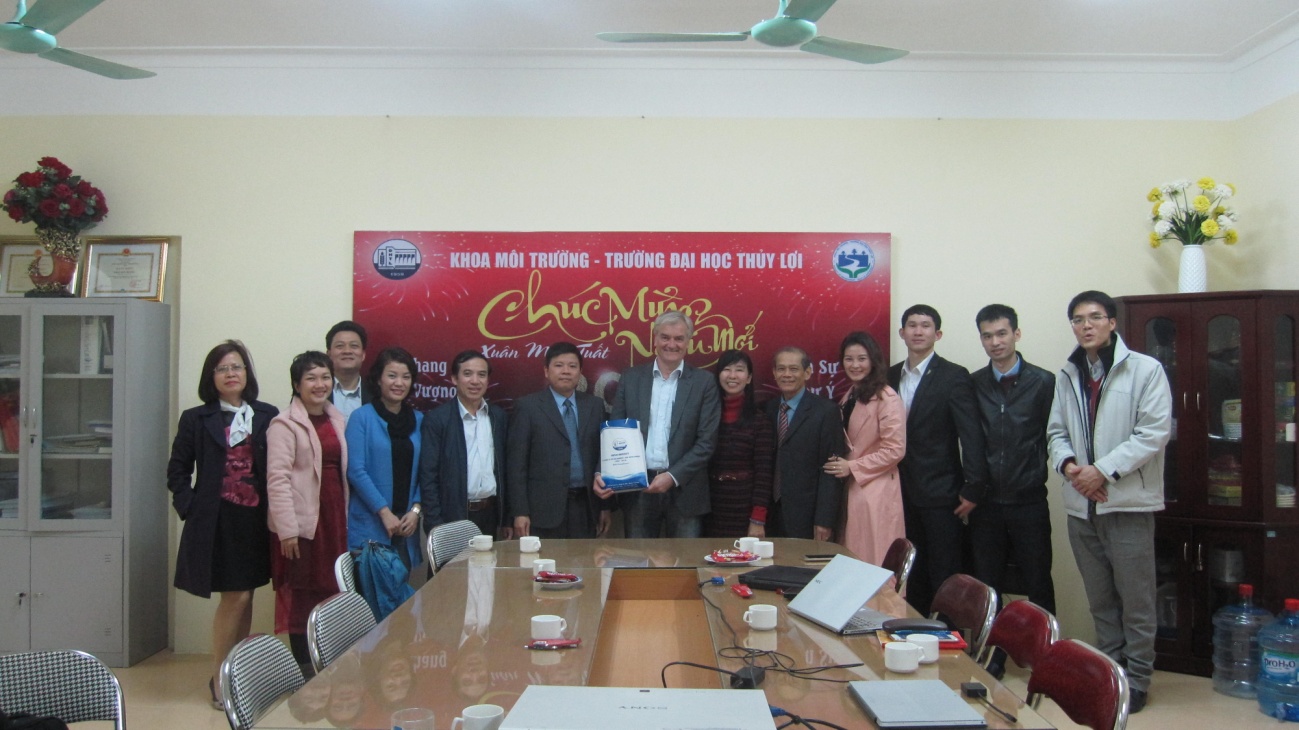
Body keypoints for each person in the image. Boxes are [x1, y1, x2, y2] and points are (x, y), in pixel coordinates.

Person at [1047, 290, 1172, 714]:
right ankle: (1112, 674)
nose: (1086, 326)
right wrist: (1071, 468)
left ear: (1112, 323)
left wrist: (1102, 471)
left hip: (1127, 504)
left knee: (1136, 601)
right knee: (1100, 599)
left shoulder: (1145, 369)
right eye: (1078, 319)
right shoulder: (1068, 374)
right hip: (1081, 506)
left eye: (1095, 317)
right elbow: (1056, 433)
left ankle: (1138, 679)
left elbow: (1153, 433)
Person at [166, 340, 278, 710]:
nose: (231, 374)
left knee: (247, 596)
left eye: (237, 367)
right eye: (223, 368)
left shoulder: (266, 415)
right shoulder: (196, 419)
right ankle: (219, 677)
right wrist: (190, 506)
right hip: (217, 520)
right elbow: (178, 470)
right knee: (236, 596)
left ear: (247, 373)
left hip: (255, 520)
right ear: (211, 377)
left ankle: (236, 671)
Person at [887, 304, 987, 616]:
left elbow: (970, 434)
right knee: (910, 571)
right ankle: (912, 630)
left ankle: (946, 637)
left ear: (937, 334)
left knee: (943, 572)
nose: (918, 331)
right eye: (912, 325)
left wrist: (973, 486)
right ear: (902, 333)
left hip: (942, 493)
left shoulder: (953, 376)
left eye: (925, 325)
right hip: (899, 492)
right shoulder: (890, 375)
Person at [595, 311, 720, 538]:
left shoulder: (704, 382)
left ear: (688, 342)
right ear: (654, 339)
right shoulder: (631, 378)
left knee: (685, 559)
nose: (671, 344)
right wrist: (602, 472)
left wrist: (672, 476)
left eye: (679, 338)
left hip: (686, 489)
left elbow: (706, 442)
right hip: (637, 488)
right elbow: (615, 433)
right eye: (665, 337)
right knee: (639, 558)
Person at [970, 305, 1057, 614]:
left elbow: (1053, 435)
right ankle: (991, 646)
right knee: (987, 585)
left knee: (1038, 581)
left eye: (1002, 333)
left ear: (1016, 334)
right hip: (986, 503)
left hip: (1028, 501)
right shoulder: (974, 383)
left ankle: (1046, 645)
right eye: (987, 336)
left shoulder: (1043, 381)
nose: (995, 342)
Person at [267, 350, 349, 674]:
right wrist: (287, 530)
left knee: (331, 590)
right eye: (311, 378)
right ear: (296, 385)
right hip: (302, 525)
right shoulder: (284, 424)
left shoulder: (335, 418)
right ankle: (305, 669)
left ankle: (328, 664)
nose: (320, 384)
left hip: (334, 518)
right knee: (303, 597)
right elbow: (277, 479)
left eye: (325, 377)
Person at [507, 342, 611, 539]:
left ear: (580, 372)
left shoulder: (594, 406)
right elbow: (516, 465)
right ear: (546, 371)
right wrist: (519, 511)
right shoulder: (528, 407)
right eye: (559, 365)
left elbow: (603, 458)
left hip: (586, 507)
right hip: (542, 510)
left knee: (584, 559)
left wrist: (604, 506)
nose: (566, 371)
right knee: (546, 560)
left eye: (572, 366)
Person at [823, 332, 905, 566]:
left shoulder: (887, 397)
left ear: (873, 360)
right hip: (852, 488)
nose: (855, 365)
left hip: (876, 489)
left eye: (862, 358)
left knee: (875, 557)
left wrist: (852, 466)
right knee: (853, 555)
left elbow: (895, 449)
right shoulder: (851, 394)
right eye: (849, 359)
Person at [345, 347, 424, 570]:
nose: (399, 383)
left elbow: (426, 471)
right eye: (392, 376)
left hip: (406, 523)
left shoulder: (419, 420)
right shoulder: (361, 418)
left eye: (406, 377)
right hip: (372, 521)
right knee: (373, 588)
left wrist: (416, 510)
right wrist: (384, 512)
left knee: (402, 587)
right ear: (378, 379)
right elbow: (356, 471)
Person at [420, 351, 509, 539]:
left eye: (481, 375)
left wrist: (505, 519)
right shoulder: (437, 419)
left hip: (491, 515)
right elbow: (428, 476)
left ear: (488, 380)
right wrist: (435, 523)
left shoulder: (498, 417)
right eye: (467, 374)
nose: (475, 381)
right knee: (456, 561)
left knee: (491, 559)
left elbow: (506, 471)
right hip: (453, 516)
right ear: (454, 379)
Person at [765, 346, 845, 541]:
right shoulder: (768, 409)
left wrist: (824, 519)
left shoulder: (826, 412)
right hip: (771, 513)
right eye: (781, 369)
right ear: (774, 373)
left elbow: (831, 469)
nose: (786, 374)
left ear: (807, 372)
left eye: (793, 369)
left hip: (807, 515)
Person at [703, 350, 774, 538]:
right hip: (709, 507)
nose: (732, 376)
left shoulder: (760, 421)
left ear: (749, 378)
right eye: (727, 369)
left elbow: (764, 474)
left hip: (743, 507)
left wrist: (757, 519)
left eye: (739, 370)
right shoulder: (706, 417)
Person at [326, 320, 372, 421]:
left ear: (363, 355)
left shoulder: (377, 394)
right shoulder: (317, 391)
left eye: (354, 346)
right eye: (340, 346)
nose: (347, 351)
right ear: (329, 354)